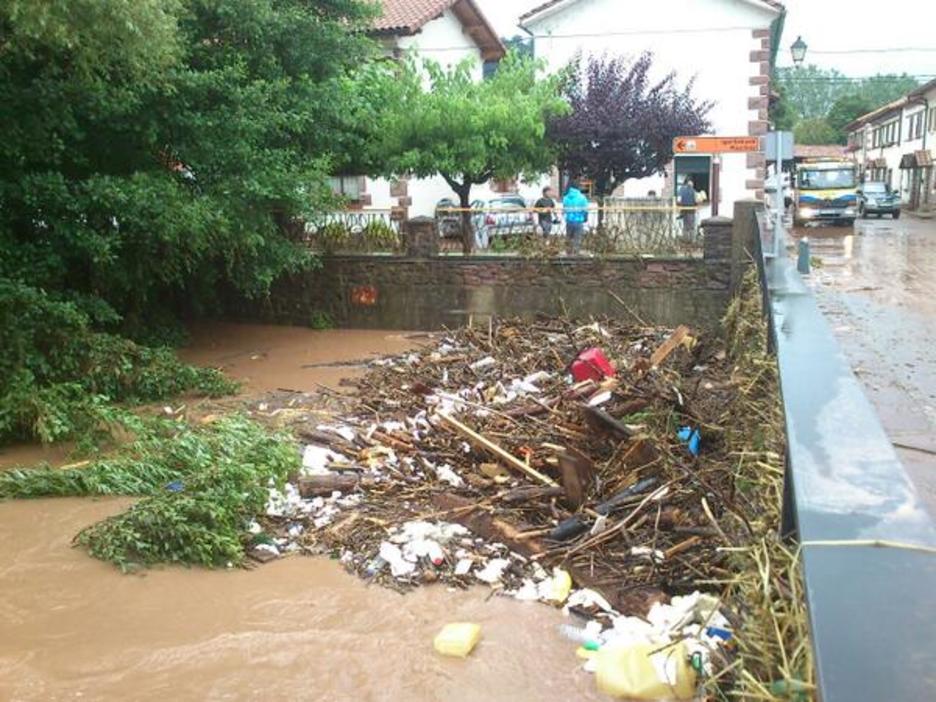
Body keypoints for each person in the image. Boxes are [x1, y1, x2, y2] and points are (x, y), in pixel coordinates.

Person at [563, 181, 589, 254]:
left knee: (569, 237)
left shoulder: (565, 197)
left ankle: (568, 252)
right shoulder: (582, 197)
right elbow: (585, 209)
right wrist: (585, 218)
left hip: (569, 220)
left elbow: (564, 208)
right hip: (579, 219)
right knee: (577, 238)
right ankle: (576, 252)